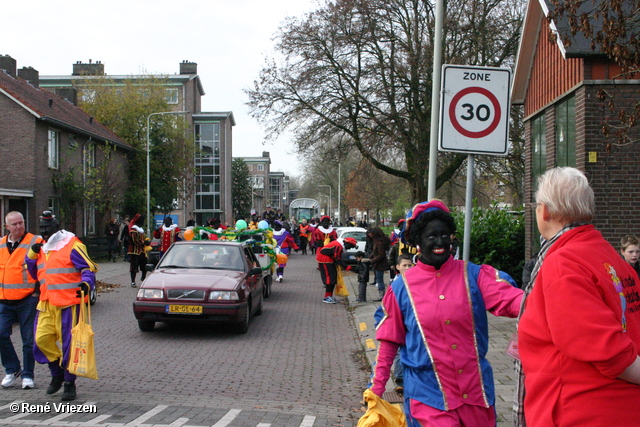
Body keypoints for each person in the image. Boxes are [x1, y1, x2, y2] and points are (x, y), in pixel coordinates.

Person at [368, 199, 523, 426]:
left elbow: (516, 301)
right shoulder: (402, 288)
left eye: (445, 235)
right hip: (427, 396)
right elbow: (389, 341)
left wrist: (550, 302)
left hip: (476, 395)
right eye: (431, 236)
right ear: (418, 241)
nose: (440, 242)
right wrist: (376, 388)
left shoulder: (475, 275)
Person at [515, 167, 640, 427]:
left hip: (581, 410)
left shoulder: (563, 262)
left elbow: (608, 352)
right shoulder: (608, 255)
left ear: (545, 211)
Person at [26, 211, 98, 401]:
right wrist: (31, 256)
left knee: (70, 345)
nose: (44, 231)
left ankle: (68, 383)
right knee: (40, 340)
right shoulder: (42, 248)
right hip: (46, 302)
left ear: (56, 228)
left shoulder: (72, 244)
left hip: (69, 303)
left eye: (47, 228)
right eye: (41, 228)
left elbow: (87, 267)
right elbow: (34, 274)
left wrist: (86, 283)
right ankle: (56, 372)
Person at [0, 211, 43, 390]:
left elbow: (44, 268)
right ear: (7, 227)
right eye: (15, 224)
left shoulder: (35, 242)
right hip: (4, 300)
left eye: (21, 223)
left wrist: (37, 291)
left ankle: (28, 375)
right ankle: (13, 369)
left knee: (28, 340)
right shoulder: (1, 244)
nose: (19, 226)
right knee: (1, 333)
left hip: (27, 299)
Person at [390, 253, 415, 395]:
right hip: (400, 320)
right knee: (401, 350)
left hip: (412, 320)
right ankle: (400, 379)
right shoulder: (396, 283)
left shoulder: (416, 281)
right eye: (404, 265)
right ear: (398, 267)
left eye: (409, 265)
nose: (407, 268)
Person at [317, 237, 356, 303]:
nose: (350, 248)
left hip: (328, 260)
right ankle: (327, 297)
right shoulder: (338, 246)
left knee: (333, 278)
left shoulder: (339, 245)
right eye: (350, 246)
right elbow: (337, 259)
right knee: (330, 278)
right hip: (326, 260)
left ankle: (329, 296)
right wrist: (347, 267)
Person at [368, 227, 391, 301]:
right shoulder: (377, 241)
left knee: (379, 279)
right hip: (378, 263)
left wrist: (372, 260)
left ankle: (382, 295)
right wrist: (370, 257)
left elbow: (381, 255)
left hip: (380, 263)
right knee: (379, 279)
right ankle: (382, 294)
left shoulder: (379, 243)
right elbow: (375, 252)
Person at [127, 214, 147, 288]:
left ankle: (143, 278)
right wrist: (143, 243)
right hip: (134, 251)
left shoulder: (140, 230)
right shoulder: (133, 230)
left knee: (145, 265)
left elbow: (143, 239)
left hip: (142, 251)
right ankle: (133, 281)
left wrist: (146, 241)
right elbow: (134, 240)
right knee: (134, 267)